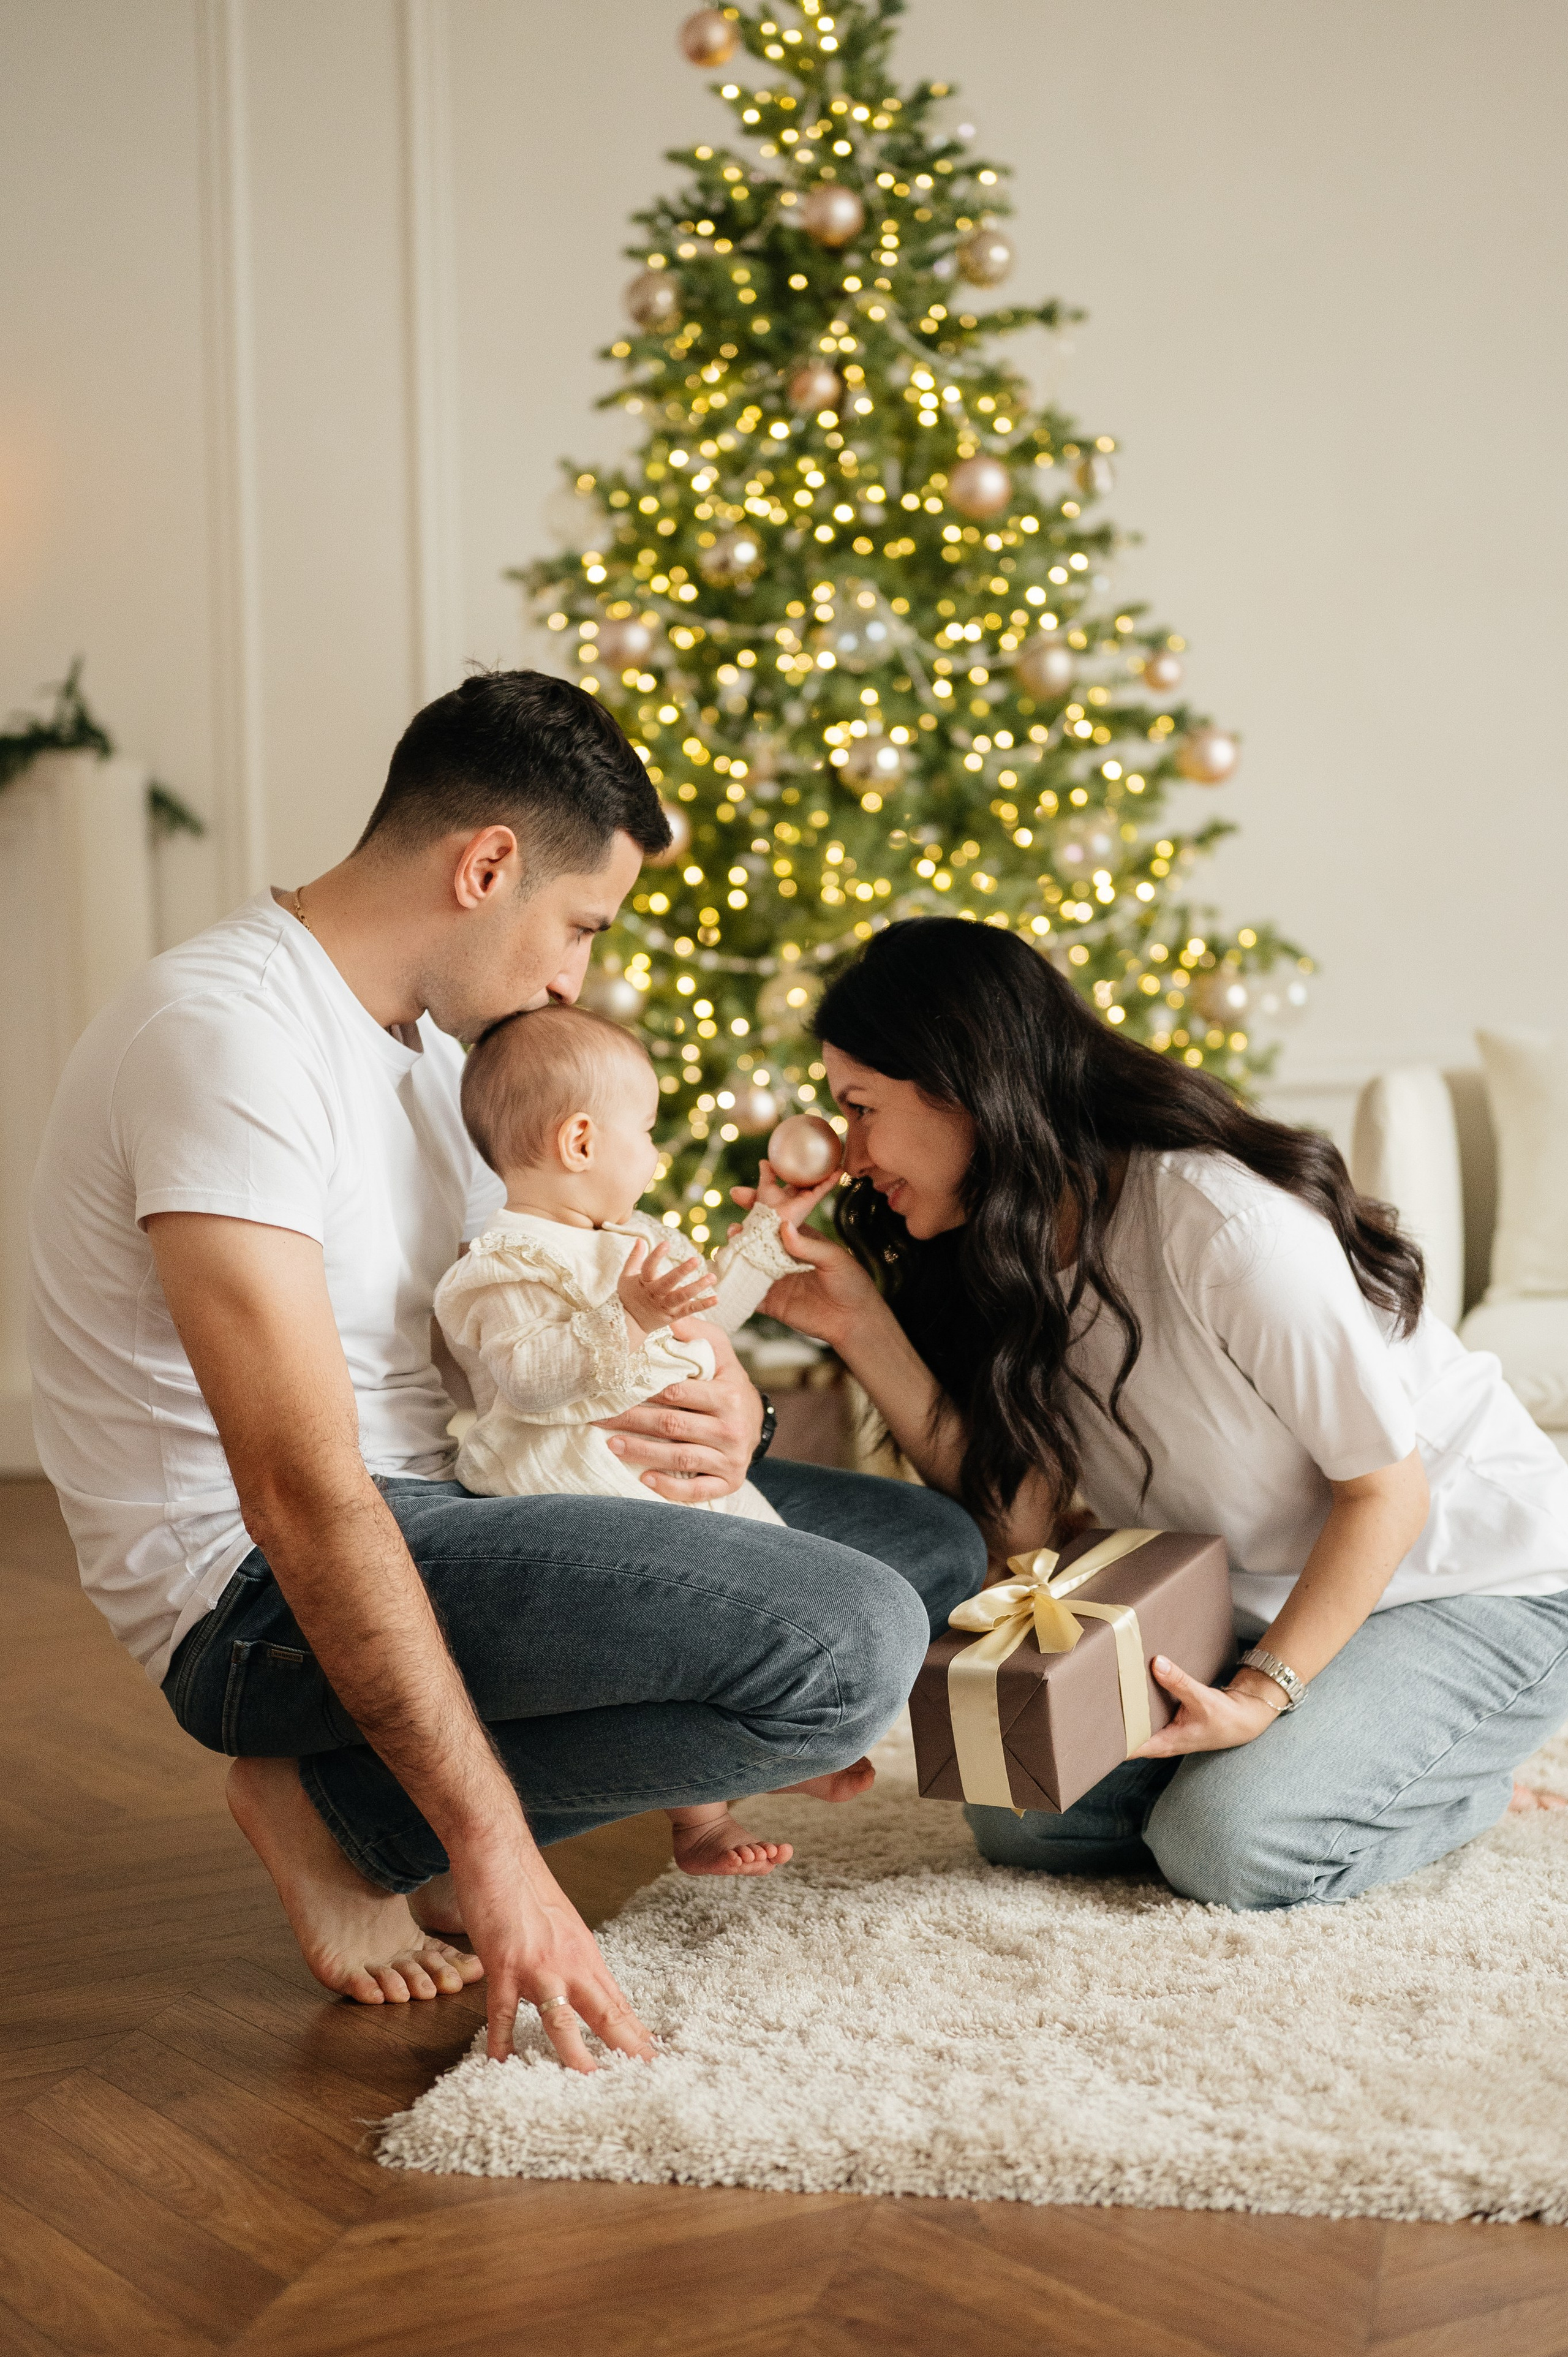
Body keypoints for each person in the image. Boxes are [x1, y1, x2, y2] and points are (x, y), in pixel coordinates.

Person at [26, 674, 986, 2071]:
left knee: (928, 1546)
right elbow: (300, 1491)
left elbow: (548, 1305)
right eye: (580, 924)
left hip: (464, 1486)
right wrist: (495, 1857)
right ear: (485, 865)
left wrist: (728, 1409)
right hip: (250, 1592)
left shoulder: (430, 1054)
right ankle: (337, 1819)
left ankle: (372, 1786)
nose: (574, 979)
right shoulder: (226, 1037)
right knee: (848, 1647)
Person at [745, 917, 1568, 1910]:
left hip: (1474, 1578)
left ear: (962, 1081)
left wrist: (1265, 1694)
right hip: (1252, 1592)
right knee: (1029, 1815)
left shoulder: (1226, 1226)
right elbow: (1031, 1530)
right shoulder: (1003, 1246)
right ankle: (1351, 1761)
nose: (849, 1153)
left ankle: (1450, 1783)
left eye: (862, 1107)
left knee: (1229, 1847)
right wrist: (862, 1327)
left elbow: (1385, 1491)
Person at [432, 997, 858, 1876]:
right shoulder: (504, 1266)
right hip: (577, 1495)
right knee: (694, 1644)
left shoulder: (633, 1236)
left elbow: (705, 1322)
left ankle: (777, 1751)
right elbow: (533, 1381)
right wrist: (625, 1316)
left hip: (680, 1484)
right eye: (649, 1133)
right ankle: (701, 1821)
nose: (657, 1155)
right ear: (581, 1144)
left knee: (783, 1591)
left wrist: (763, 1236)